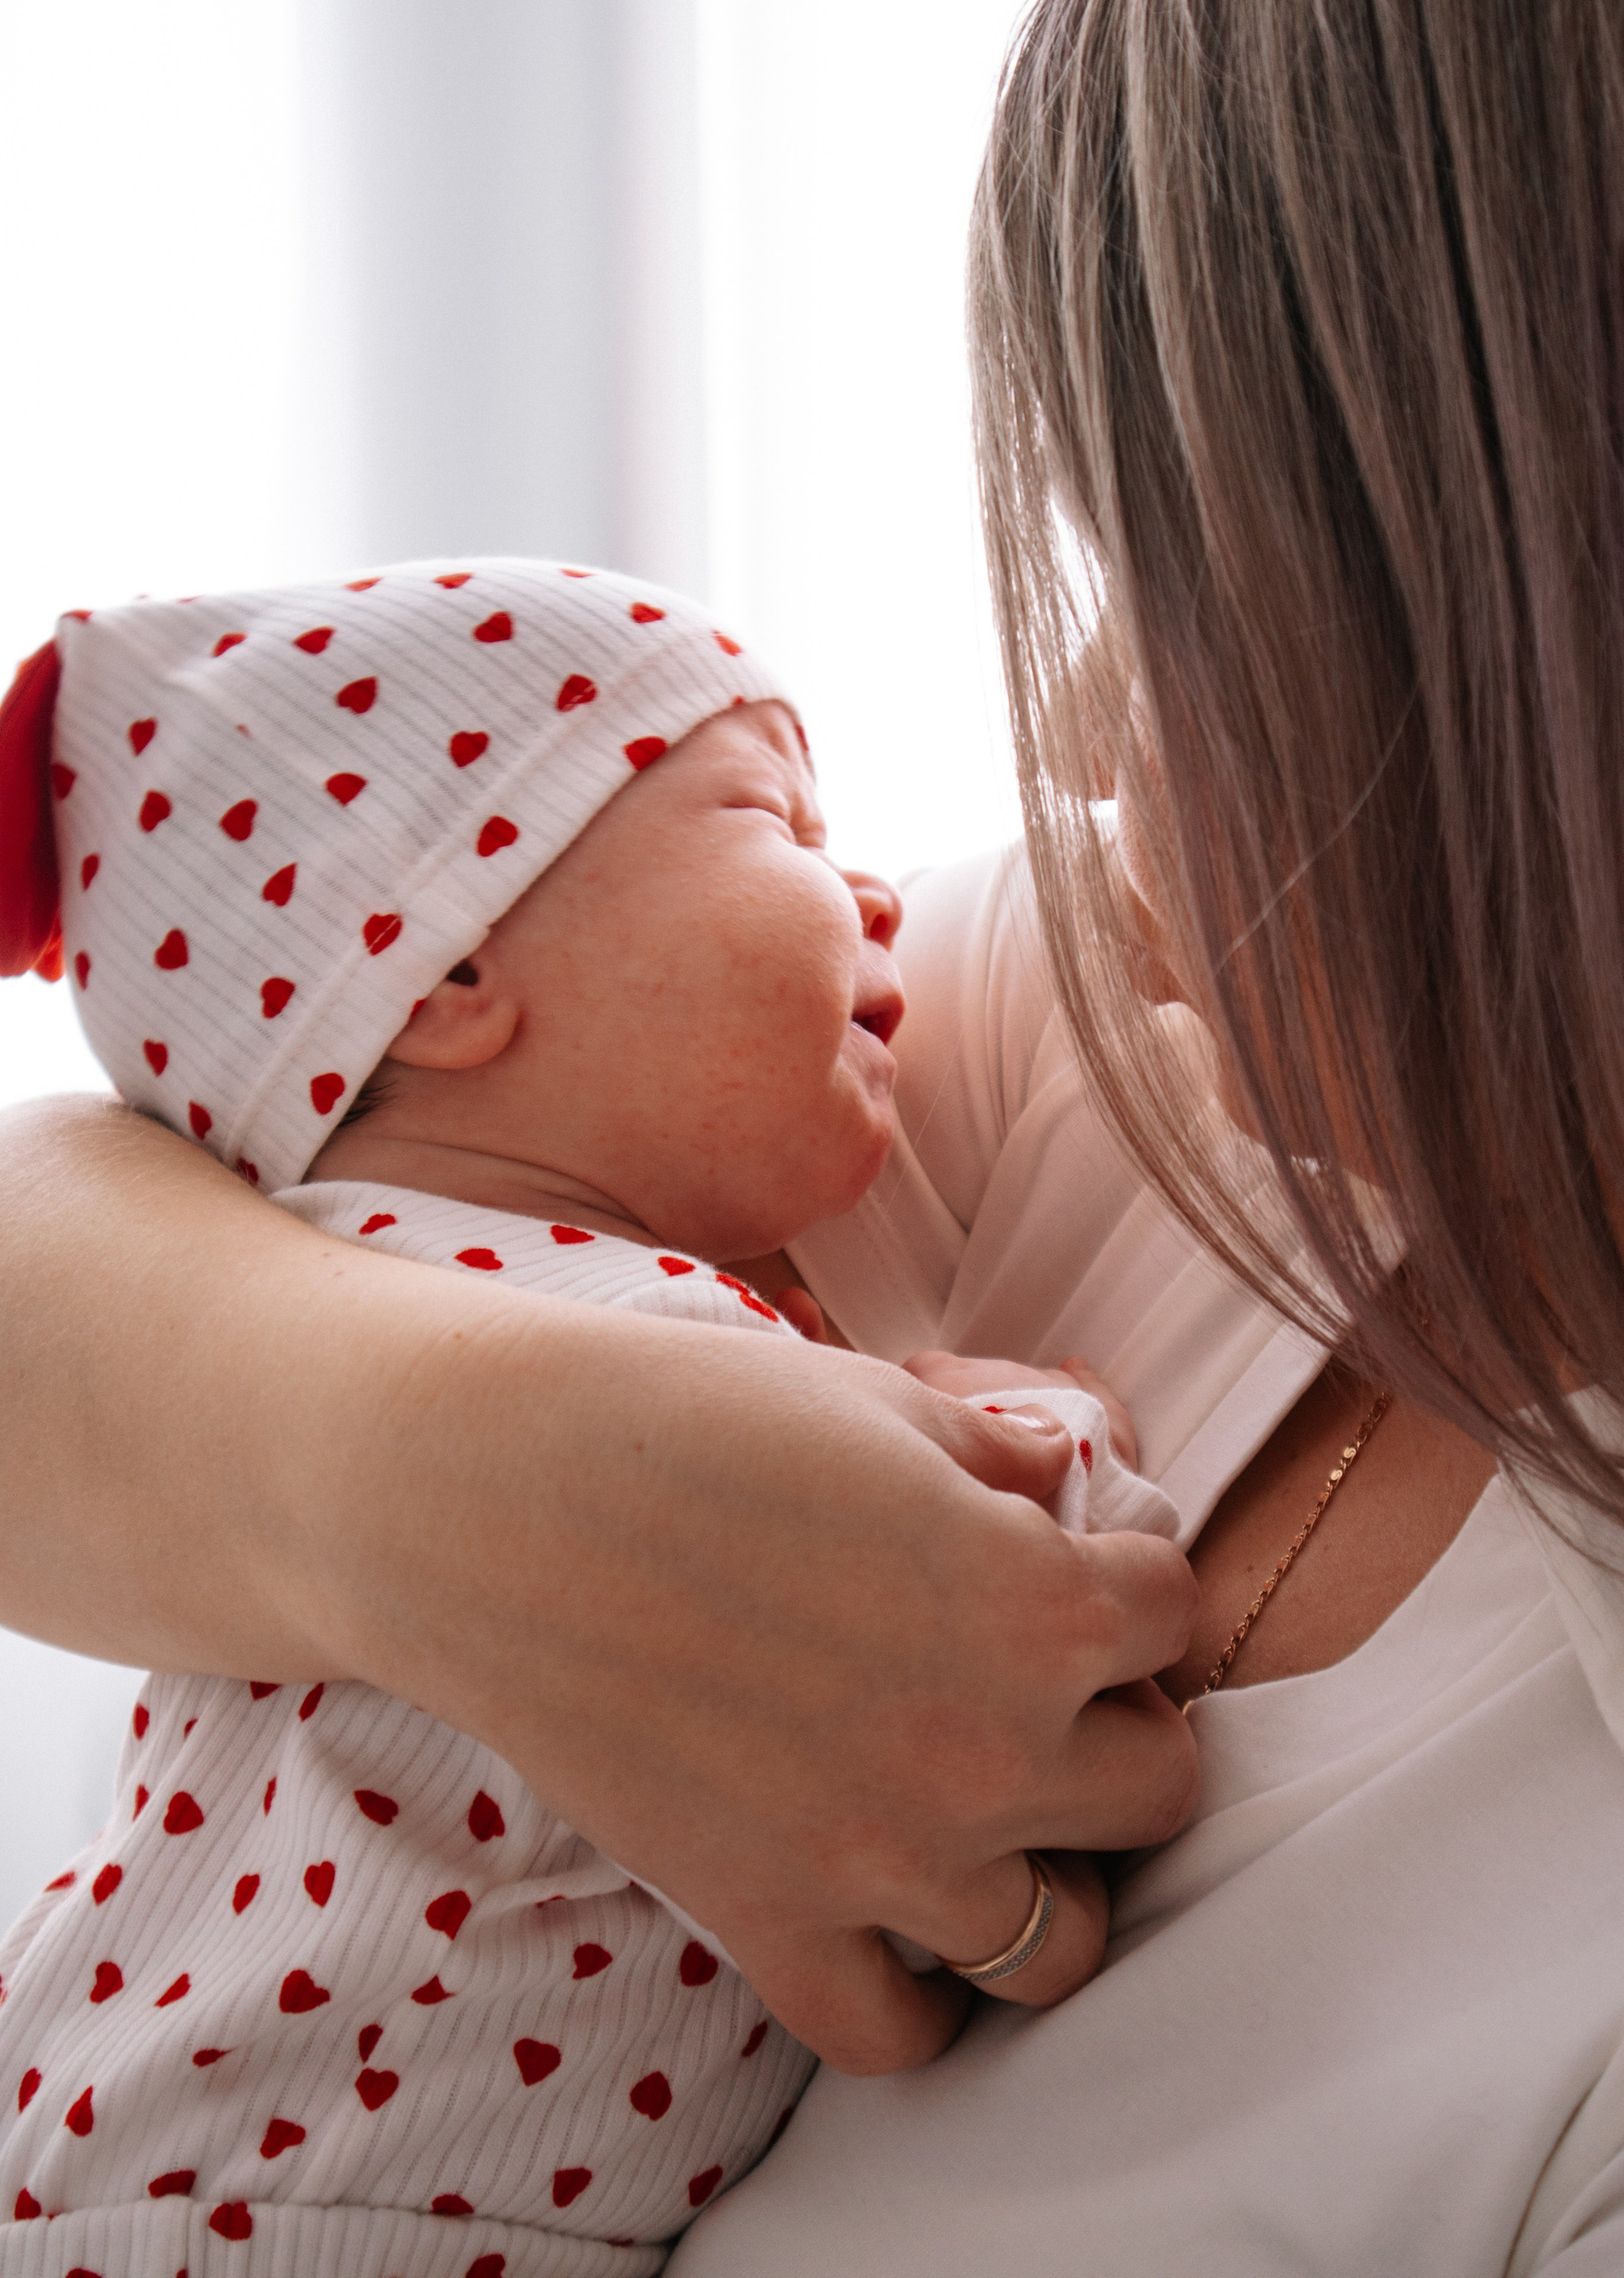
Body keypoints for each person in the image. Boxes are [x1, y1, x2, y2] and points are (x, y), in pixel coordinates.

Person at [3, 0, 1618, 2265]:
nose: (1078, 723)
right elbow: (67, 1228)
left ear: (1515, 624)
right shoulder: (1146, 1055)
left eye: (1187, 584)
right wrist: (453, 1489)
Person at [0, 560, 1173, 2272]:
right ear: (457, 963)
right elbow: (1009, 1605)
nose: (874, 892)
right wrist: (1034, 1429)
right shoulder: (619, 1338)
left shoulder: (340, 1268)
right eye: (773, 817)